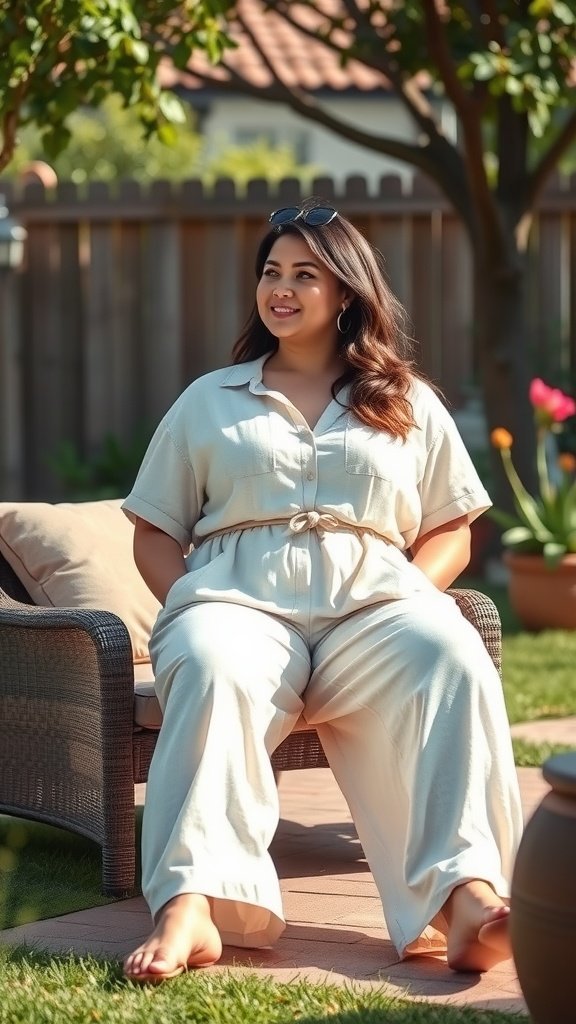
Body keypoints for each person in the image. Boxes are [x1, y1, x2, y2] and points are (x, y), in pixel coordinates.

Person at [121, 201, 523, 984]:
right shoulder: (209, 399)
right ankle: (191, 904)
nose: (282, 288)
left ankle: (467, 895)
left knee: (451, 652)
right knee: (212, 661)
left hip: (373, 611)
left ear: (345, 292)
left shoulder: (405, 399)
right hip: (238, 608)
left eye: (305, 274)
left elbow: (453, 527)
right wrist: (192, 605)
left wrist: (411, 594)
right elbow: (154, 529)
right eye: (272, 272)